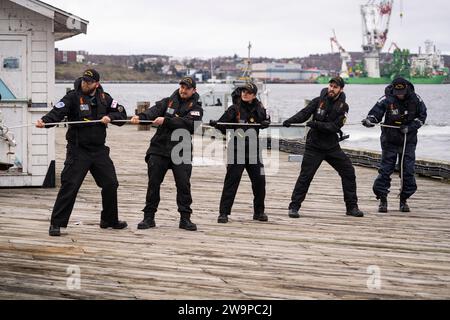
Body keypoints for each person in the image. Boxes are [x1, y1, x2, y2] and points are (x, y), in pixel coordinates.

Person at [36, 69, 128, 236]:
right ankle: (56, 223)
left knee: (110, 183)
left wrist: (111, 117)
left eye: (89, 82)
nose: (85, 84)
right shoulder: (72, 97)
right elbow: (57, 112)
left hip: (99, 150)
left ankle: (109, 219)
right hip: (78, 150)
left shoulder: (104, 97)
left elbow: (122, 113)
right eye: (84, 80)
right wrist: (45, 122)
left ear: (96, 84)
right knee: (70, 185)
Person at [283, 77, 364, 218]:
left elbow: (334, 127)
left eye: (335, 87)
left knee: (349, 172)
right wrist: (290, 121)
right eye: (331, 86)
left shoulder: (343, 107)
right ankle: (294, 207)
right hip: (314, 146)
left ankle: (352, 207)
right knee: (305, 176)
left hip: (332, 147)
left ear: (341, 89)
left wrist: (315, 124)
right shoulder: (318, 101)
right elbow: (304, 114)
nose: (332, 89)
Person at [131, 76, 203, 231]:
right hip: (159, 148)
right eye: (182, 87)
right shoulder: (167, 101)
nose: (183, 90)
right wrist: (141, 117)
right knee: (153, 184)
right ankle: (148, 217)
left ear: (194, 90)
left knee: (183, 186)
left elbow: (190, 125)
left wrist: (167, 121)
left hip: (181, 150)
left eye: (187, 88)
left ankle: (185, 219)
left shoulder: (197, 108)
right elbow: (153, 111)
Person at [362, 77, 427, 213]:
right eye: (398, 92)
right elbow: (375, 114)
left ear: (406, 88)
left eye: (402, 92)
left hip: (407, 140)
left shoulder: (416, 99)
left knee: (407, 171)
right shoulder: (386, 98)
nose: (400, 95)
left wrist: (410, 127)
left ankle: (404, 200)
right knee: (385, 170)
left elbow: (422, 117)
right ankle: (382, 199)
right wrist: (369, 121)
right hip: (389, 140)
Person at [209, 82, 271, 224]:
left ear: (254, 95)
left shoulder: (260, 107)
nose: (245, 93)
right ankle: (223, 213)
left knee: (260, 182)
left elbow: (266, 119)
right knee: (231, 181)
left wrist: (266, 122)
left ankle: (259, 212)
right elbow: (223, 125)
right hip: (237, 149)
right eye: (243, 91)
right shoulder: (234, 108)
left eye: (248, 92)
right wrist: (217, 124)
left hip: (254, 150)